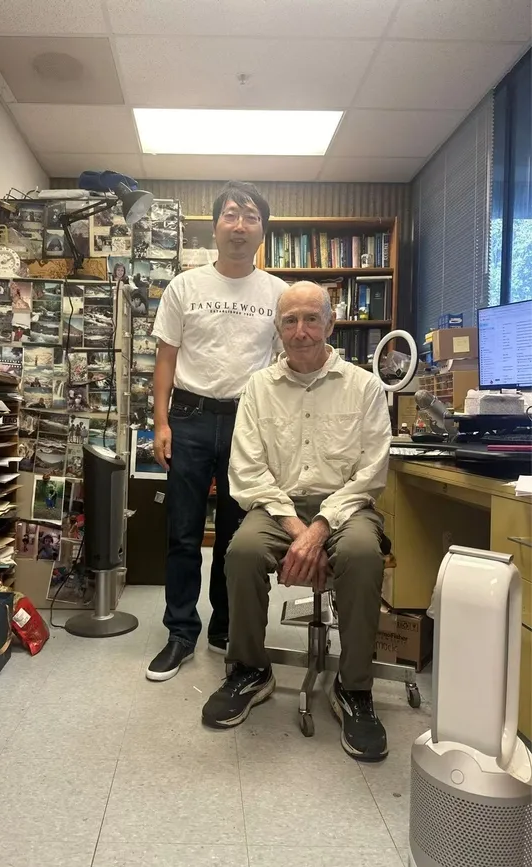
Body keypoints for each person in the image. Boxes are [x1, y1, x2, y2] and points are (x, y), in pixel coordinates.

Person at [201, 282, 393, 762]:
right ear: (278, 329)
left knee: (362, 554)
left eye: (312, 319)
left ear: (331, 324)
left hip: (346, 507)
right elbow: (247, 471)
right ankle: (249, 669)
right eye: (290, 321)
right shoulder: (259, 389)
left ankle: (354, 688)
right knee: (241, 551)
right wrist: (297, 533)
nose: (301, 331)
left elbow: (371, 473)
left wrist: (320, 529)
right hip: (278, 505)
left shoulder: (365, 386)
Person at [146, 181, 288, 682]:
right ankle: (180, 631)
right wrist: (161, 421)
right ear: (215, 225)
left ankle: (225, 628)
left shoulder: (278, 294)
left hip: (248, 422)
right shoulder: (185, 286)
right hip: (187, 417)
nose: (240, 225)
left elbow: (288, 363)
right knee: (182, 533)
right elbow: (166, 358)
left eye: (251, 217)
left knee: (236, 535)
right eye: (231, 214)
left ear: (262, 231)